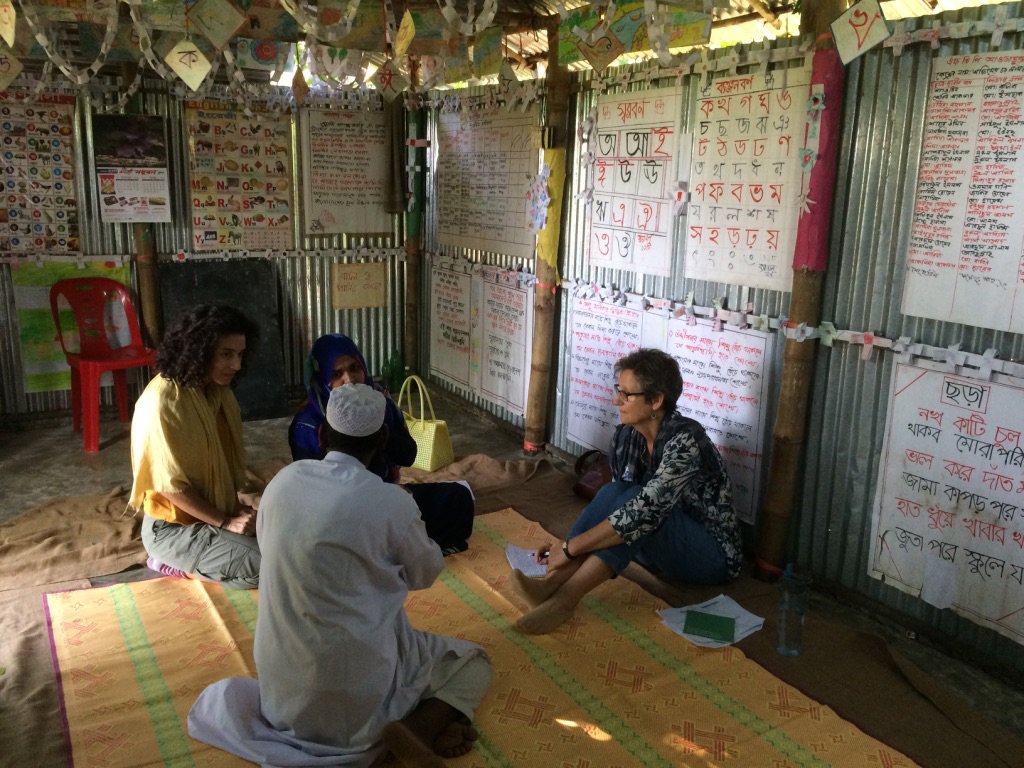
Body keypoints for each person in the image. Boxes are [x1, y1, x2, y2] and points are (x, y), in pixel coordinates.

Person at [188, 383, 492, 767]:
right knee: (473, 662)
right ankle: (416, 730)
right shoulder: (391, 502)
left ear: (321, 435)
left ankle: (417, 732)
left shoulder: (284, 482)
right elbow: (425, 573)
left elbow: (271, 548)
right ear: (382, 439)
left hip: (284, 700)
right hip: (359, 703)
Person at [512, 348, 743, 634]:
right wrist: (566, 546)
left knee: (637, 509)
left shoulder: (686, 441)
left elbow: (641, 514)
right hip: (654, 545)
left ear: (656, 400)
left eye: (626, 395)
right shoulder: (627, 436)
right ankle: (550, 583)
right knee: (614, 492)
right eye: (617, 390)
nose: (615, 400)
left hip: (709, 555)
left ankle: (565, 600)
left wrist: (570, 548)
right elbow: (615, 508)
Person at [289, 333, 474, 554]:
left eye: (354, 368)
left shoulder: (377, 400)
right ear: (320, 378)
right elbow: (313, 493)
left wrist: (378, 426)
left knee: (457, 498)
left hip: (386, 498)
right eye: (337, 374)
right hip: (341, 515)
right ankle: (390, 548)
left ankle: (383, 548)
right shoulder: (308, 426)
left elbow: (408, 455)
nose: (350, 380)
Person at [128, 304, 262, 588]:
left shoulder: (216, 392)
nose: (236, 365)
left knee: (293, 548)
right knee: (268, 568)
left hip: (220, 512)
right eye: (226, 354)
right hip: (173, 529)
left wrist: (234, 512)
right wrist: (226, 523)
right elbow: (168, 486)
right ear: (199, 350)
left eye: (240, 355)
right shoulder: (162, 403)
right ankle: (170, 564)